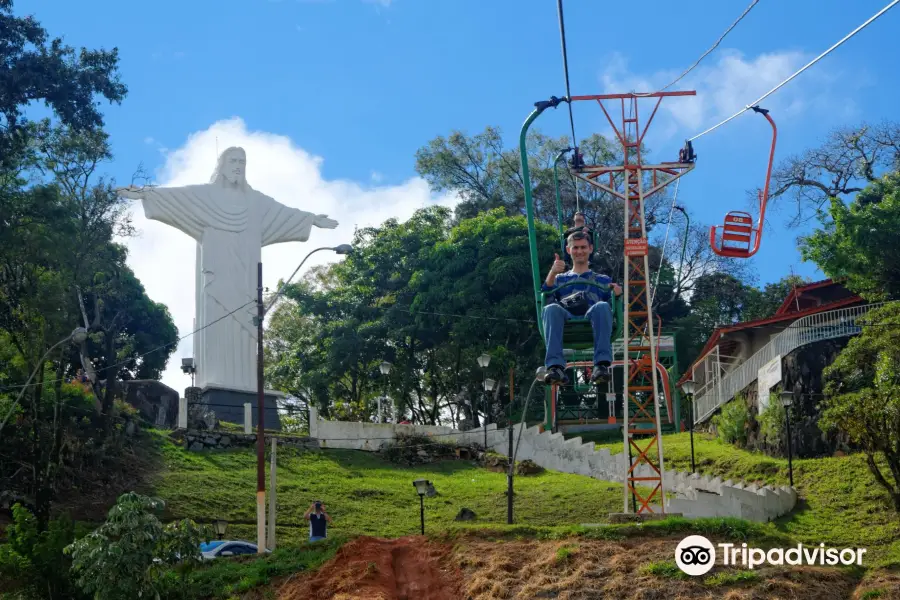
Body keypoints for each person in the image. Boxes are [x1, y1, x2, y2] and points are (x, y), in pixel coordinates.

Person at [541, 230, 622, 386]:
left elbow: (612, 309)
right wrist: (552, 271)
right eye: (575, 248)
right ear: (568, 250)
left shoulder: (602, 280)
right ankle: (555, 367)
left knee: (602, 306)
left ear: (590, 249)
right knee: (551, 309)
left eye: (583, 247)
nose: (579, 251)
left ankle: (601, 365)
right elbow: (545, 297)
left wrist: (617, 295)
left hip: (591, 320)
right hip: (568, 321)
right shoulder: (559, 279)